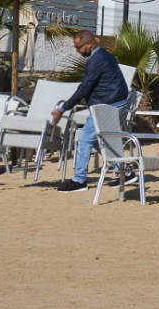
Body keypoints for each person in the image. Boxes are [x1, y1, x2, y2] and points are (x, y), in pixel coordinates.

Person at [52, 29, 128, 190]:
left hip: (107, 106)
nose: (77, 51)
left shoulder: (96, 61)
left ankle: (79, 180)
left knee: (85, 138)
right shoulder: (106, 55)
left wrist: (63, 109)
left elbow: (84, 89)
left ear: (89, 44)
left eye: (79, 47)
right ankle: (125, 172)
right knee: (100, 141)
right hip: (117, 103)